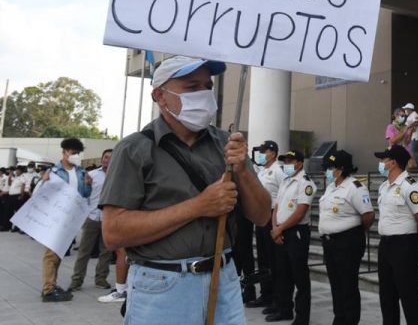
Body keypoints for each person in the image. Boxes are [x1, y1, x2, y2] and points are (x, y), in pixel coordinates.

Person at [100, 55, 272, 324]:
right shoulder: (134, 149)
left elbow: (262, 216)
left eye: (207, 86)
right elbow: (113, 232)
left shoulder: (227, 144)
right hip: (162, 286)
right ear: (160, 95)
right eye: (192, 87)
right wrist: (198, 206)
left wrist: (243, 171)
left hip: (223, 279)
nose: (203, 94)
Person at [375, 145, 418, 325]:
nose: (381, 163)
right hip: (385, 245)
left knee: (409, 296)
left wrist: (412, 238)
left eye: (384, 160)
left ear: (393, 163)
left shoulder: (410, 187)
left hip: (404, 245)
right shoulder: (384, 187)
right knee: (387, 295)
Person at [319, 150, 374, 325]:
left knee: (348, 285)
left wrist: (354, 232)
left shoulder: (355, 188)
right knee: (336, 284)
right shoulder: (331, 186)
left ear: (341, 169)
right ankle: (339, 318)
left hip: (347, 243)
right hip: (330, 242)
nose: (327, 170)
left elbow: (368, 216)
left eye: (330, 167)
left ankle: (350, 320)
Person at [37, 138, 93, 302]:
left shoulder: (81, 172)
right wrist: (44, 182)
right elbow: (42, 194)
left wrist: (88, 185)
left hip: (70, 218)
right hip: (54, 217)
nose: (75, 156)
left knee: (59, 253)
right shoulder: (54, 171)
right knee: (51, 253)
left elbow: (84, 194)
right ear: (64, 152)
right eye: (72, 152)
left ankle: (52, 284)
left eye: (77, 153)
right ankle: (48, 290)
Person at [268, 150, 316, 324]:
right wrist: (275, 228)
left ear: (299, 163)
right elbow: (276, 207)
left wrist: (280, 229)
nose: (286, 164)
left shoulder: (305, 183)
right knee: (282, 273)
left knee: (299, 276)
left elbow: (299, 212)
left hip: (296, 233)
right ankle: (284, 309)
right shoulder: (285, 181)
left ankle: (302, 316)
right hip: (280, 231)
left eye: (290, 161)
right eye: (285, 161)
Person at [69, 149, 113, 292]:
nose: (107, 160)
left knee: (106, 252)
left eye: (111, 158)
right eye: (105, 157)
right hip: (92, 217)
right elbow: (81, 195)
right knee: (84, 251)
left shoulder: (118, 176)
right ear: (102, 159)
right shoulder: (91, 175)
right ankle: (76, 280)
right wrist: (86, 185)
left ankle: (101, 279)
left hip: (109, 220)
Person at [250, 140, 285, 309]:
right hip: (261, 217)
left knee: (274, 259)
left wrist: (276, 221)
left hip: (273, 216)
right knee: (263, 258)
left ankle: (277, 297)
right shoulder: (263, 171)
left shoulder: (279, 171)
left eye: (264, 152)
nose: (261, 155)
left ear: (273, 153)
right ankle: (266, 294)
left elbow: (283, 195)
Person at [7, 166, 25, 232]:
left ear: (21, 171)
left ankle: (17, 227)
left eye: (18, 170)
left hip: (17, 196)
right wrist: (9, 177)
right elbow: (9, 184)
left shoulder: (22, 177)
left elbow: (23, 187)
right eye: (16, 170)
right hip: (11, 196)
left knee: (17, 212)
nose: (16, 171)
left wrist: (21, 196)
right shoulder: (16, 178)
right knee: (13, 211)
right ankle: (13, 226)